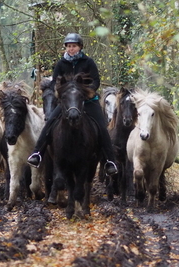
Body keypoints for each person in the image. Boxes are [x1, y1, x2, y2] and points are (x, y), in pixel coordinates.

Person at [27, 33, 118, 189]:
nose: (71, 49)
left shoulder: (88, 62)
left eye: (74, 46)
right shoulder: (61, 64)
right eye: (69, 46)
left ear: (80, 47)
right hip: (67, 102)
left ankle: (110, 161)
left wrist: (86, 91)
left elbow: (96, 80)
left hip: (88, 101)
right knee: (49, 122)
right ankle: (37, 154)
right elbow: (56, 82)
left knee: (102, 127)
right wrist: (64, 93)